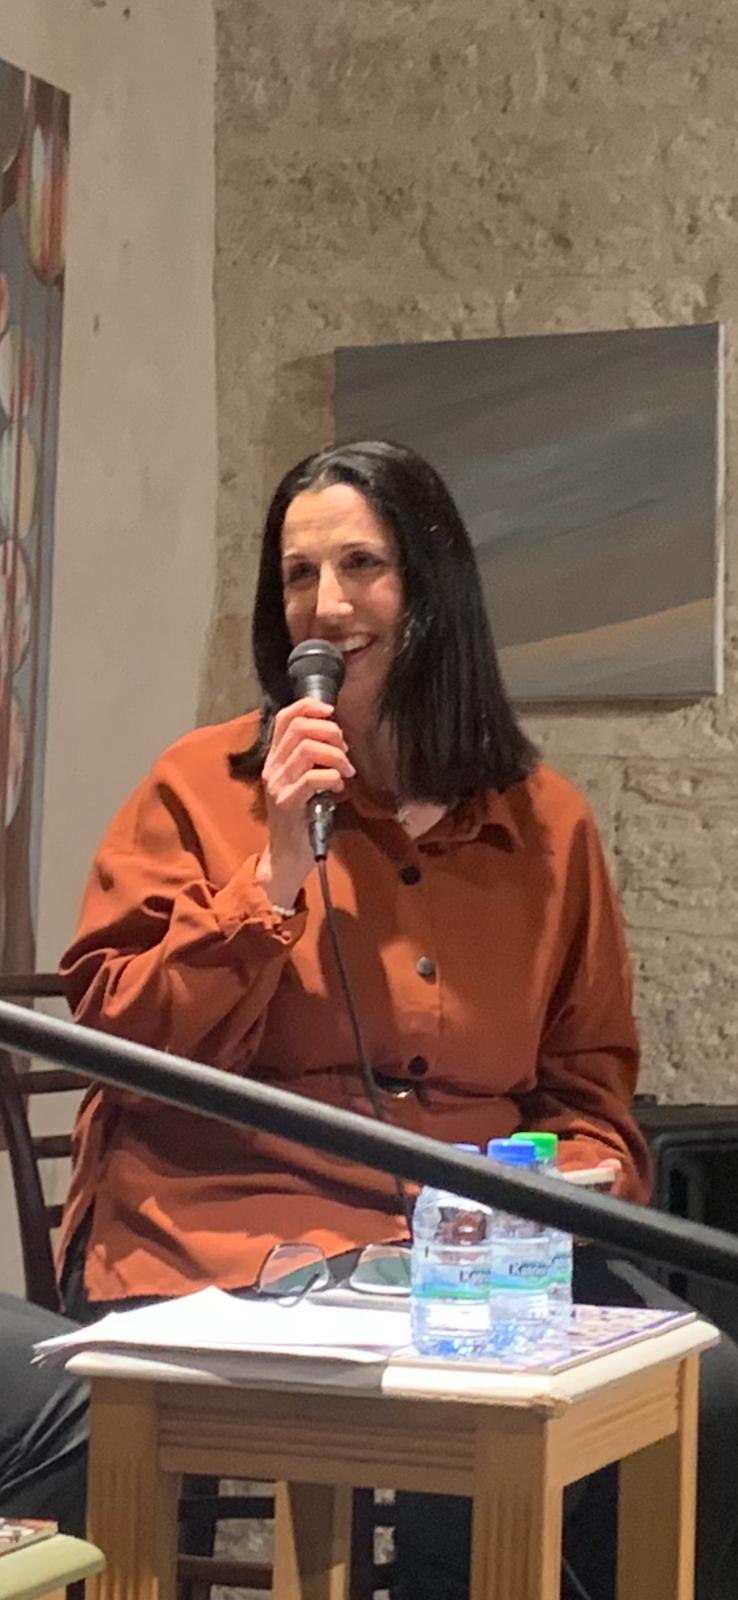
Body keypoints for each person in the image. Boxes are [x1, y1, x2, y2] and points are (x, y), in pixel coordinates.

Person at [38, 438, 735, 1596]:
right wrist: (272, 871)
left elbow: (588, 1083)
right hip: (238, 1232)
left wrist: (581, 1173)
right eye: (297, 574)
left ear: (433, 585)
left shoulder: (547, 824)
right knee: (470, 1414)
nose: (326, 605)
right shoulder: (198, 786)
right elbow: (125, 1042)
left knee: (707, 1391)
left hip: (475, 1249)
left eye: (362, 565)